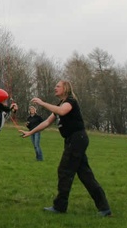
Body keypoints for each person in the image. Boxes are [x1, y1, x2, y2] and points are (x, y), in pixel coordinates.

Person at [20, 80, 112, 217]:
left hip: (77, 139)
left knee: (64, 171)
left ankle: (60, 206)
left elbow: (62, 112)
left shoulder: (70, 101)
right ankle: (104, 208)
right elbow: (46, 122)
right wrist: (30, 132)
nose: (55, 88)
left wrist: (42, 103)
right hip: (72, 140)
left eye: (58, 86)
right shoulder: (60, 104)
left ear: (66, 88)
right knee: (85, 174)